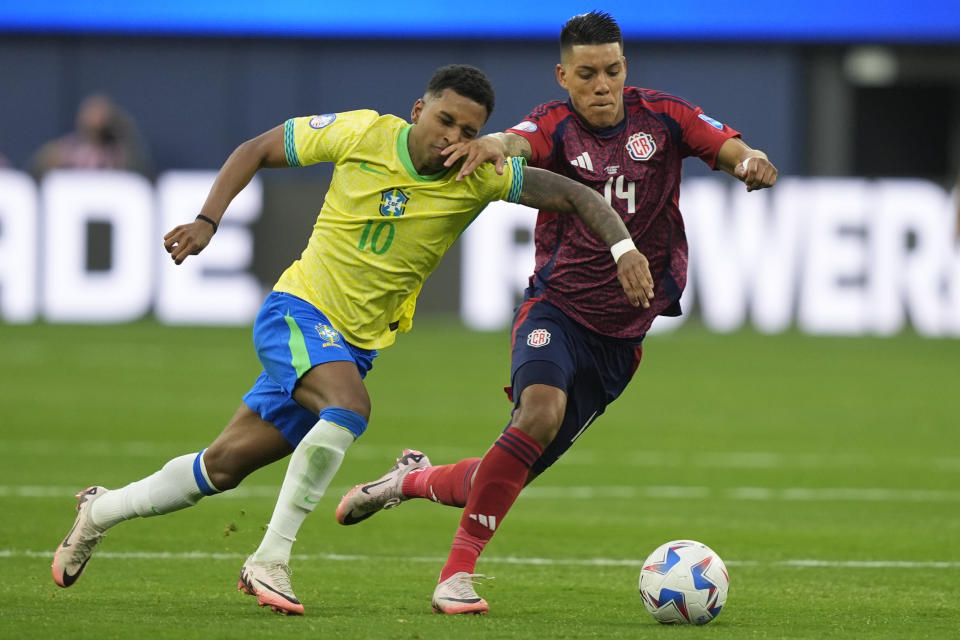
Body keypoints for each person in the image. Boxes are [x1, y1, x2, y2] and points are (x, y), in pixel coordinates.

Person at [50, 64, 655, 616]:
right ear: (418, 110)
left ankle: (97, 512)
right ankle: (269, 559)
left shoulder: (479, 177)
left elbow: (576, 196)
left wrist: (624, 247)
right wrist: (208, 220)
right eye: (444, 120)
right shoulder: (362, 134)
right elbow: (258, 148)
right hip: (298, 311)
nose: (450, 137)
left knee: (222, 468)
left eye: (467, 130)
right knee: (349, 408)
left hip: (353, 347)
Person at [335, 11, 778, 615]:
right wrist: (490, 145)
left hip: (621, 340)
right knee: (539, 414)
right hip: (556, 310)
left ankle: (407, 479)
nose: (603, 85)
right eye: (588, 73)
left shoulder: (663, 116)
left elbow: (724, 144)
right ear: (563, 76)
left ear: (626, 69)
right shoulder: (555, 125)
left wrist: (749, 159)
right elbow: (515, 143)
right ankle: (456, 576)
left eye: (613, 70)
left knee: (499, 473)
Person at [28, 93, 152, 179]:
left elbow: (140, 168)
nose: (95, 120)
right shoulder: (66, 150)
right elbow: (36, 169)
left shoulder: (120, 153)